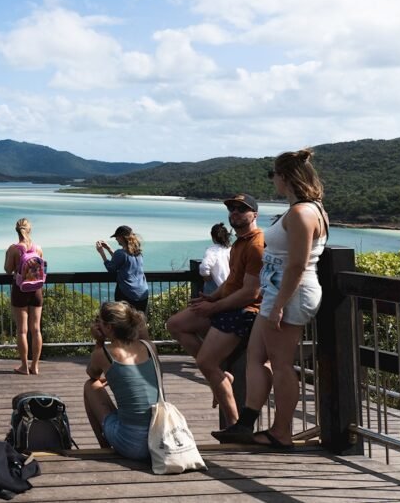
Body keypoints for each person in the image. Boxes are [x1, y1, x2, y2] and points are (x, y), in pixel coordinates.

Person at [215, 149, 329, 449]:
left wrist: (278, 304)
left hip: (290, 295)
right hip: (278, 294)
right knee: (256, 356)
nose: (273, 181)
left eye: (274, 175)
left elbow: (297, 264)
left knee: (280, 364)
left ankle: (281, 433)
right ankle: (246, 422)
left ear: (286, 177)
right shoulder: (302, 210)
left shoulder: (303, 213)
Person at [166, 193, 265, 425]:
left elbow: (251, 292)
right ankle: (221, 372)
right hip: (227, 305)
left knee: (204, 362)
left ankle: (234, 424)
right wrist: (211, 297)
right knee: (175, 325)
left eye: (241, 209)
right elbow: (232, 282)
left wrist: (214, 307)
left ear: (255, 214)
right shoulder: (239, 244)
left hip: (244, 311)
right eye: (232, 209)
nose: (235, 213)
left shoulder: (257, 245)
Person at [83, 301, 159, 460]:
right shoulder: (150, 347)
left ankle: (105, 447)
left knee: (90, 386)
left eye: (100, 322)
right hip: (159, 437)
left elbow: (92, 374)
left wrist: (99, 342)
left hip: (132, 444)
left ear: (109, 328)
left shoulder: (104, 353)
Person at [3, 218, 44, 376]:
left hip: (20, 290)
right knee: (36, 329)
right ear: (30, 230)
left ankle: (24, 366)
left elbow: (8, 270)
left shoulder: (14, 249)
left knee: (22, 331)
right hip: (36, 290)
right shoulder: (38, 248)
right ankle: (36, 366)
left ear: (16, 231)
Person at [96, 225, 150, 337]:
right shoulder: (137, 252)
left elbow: (111, 268)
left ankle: (125, 349)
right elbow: (121, 261)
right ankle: (145, 348)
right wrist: (109, 249)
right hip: (142, 293)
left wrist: (102, 253)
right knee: (140, 323)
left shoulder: (121, 253)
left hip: (127, 292)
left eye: (117, 237)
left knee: (124, 324)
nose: (116, 239)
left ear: (121, 237)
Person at [200, 222, 233, 295]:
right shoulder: (230, 249)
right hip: (231, 286)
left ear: (213, 237)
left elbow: (204, 267)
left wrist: (206, 276)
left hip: (215, 286)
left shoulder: (212, 251)